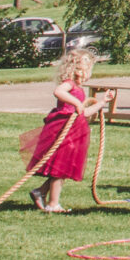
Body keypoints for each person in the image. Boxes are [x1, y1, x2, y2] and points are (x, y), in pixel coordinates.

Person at [25, 47, 111, 213]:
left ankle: (41, 192)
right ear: (76, 70)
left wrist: (102, 103)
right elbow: (58, 92)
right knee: (59, 170)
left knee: (61, 170)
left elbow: (84, 113)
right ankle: (53, 204)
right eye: (86, 71)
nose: (88, 75)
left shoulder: (79, 89)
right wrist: (77, 102)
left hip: (73, 134)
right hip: (62, 132)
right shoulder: (69, 85)